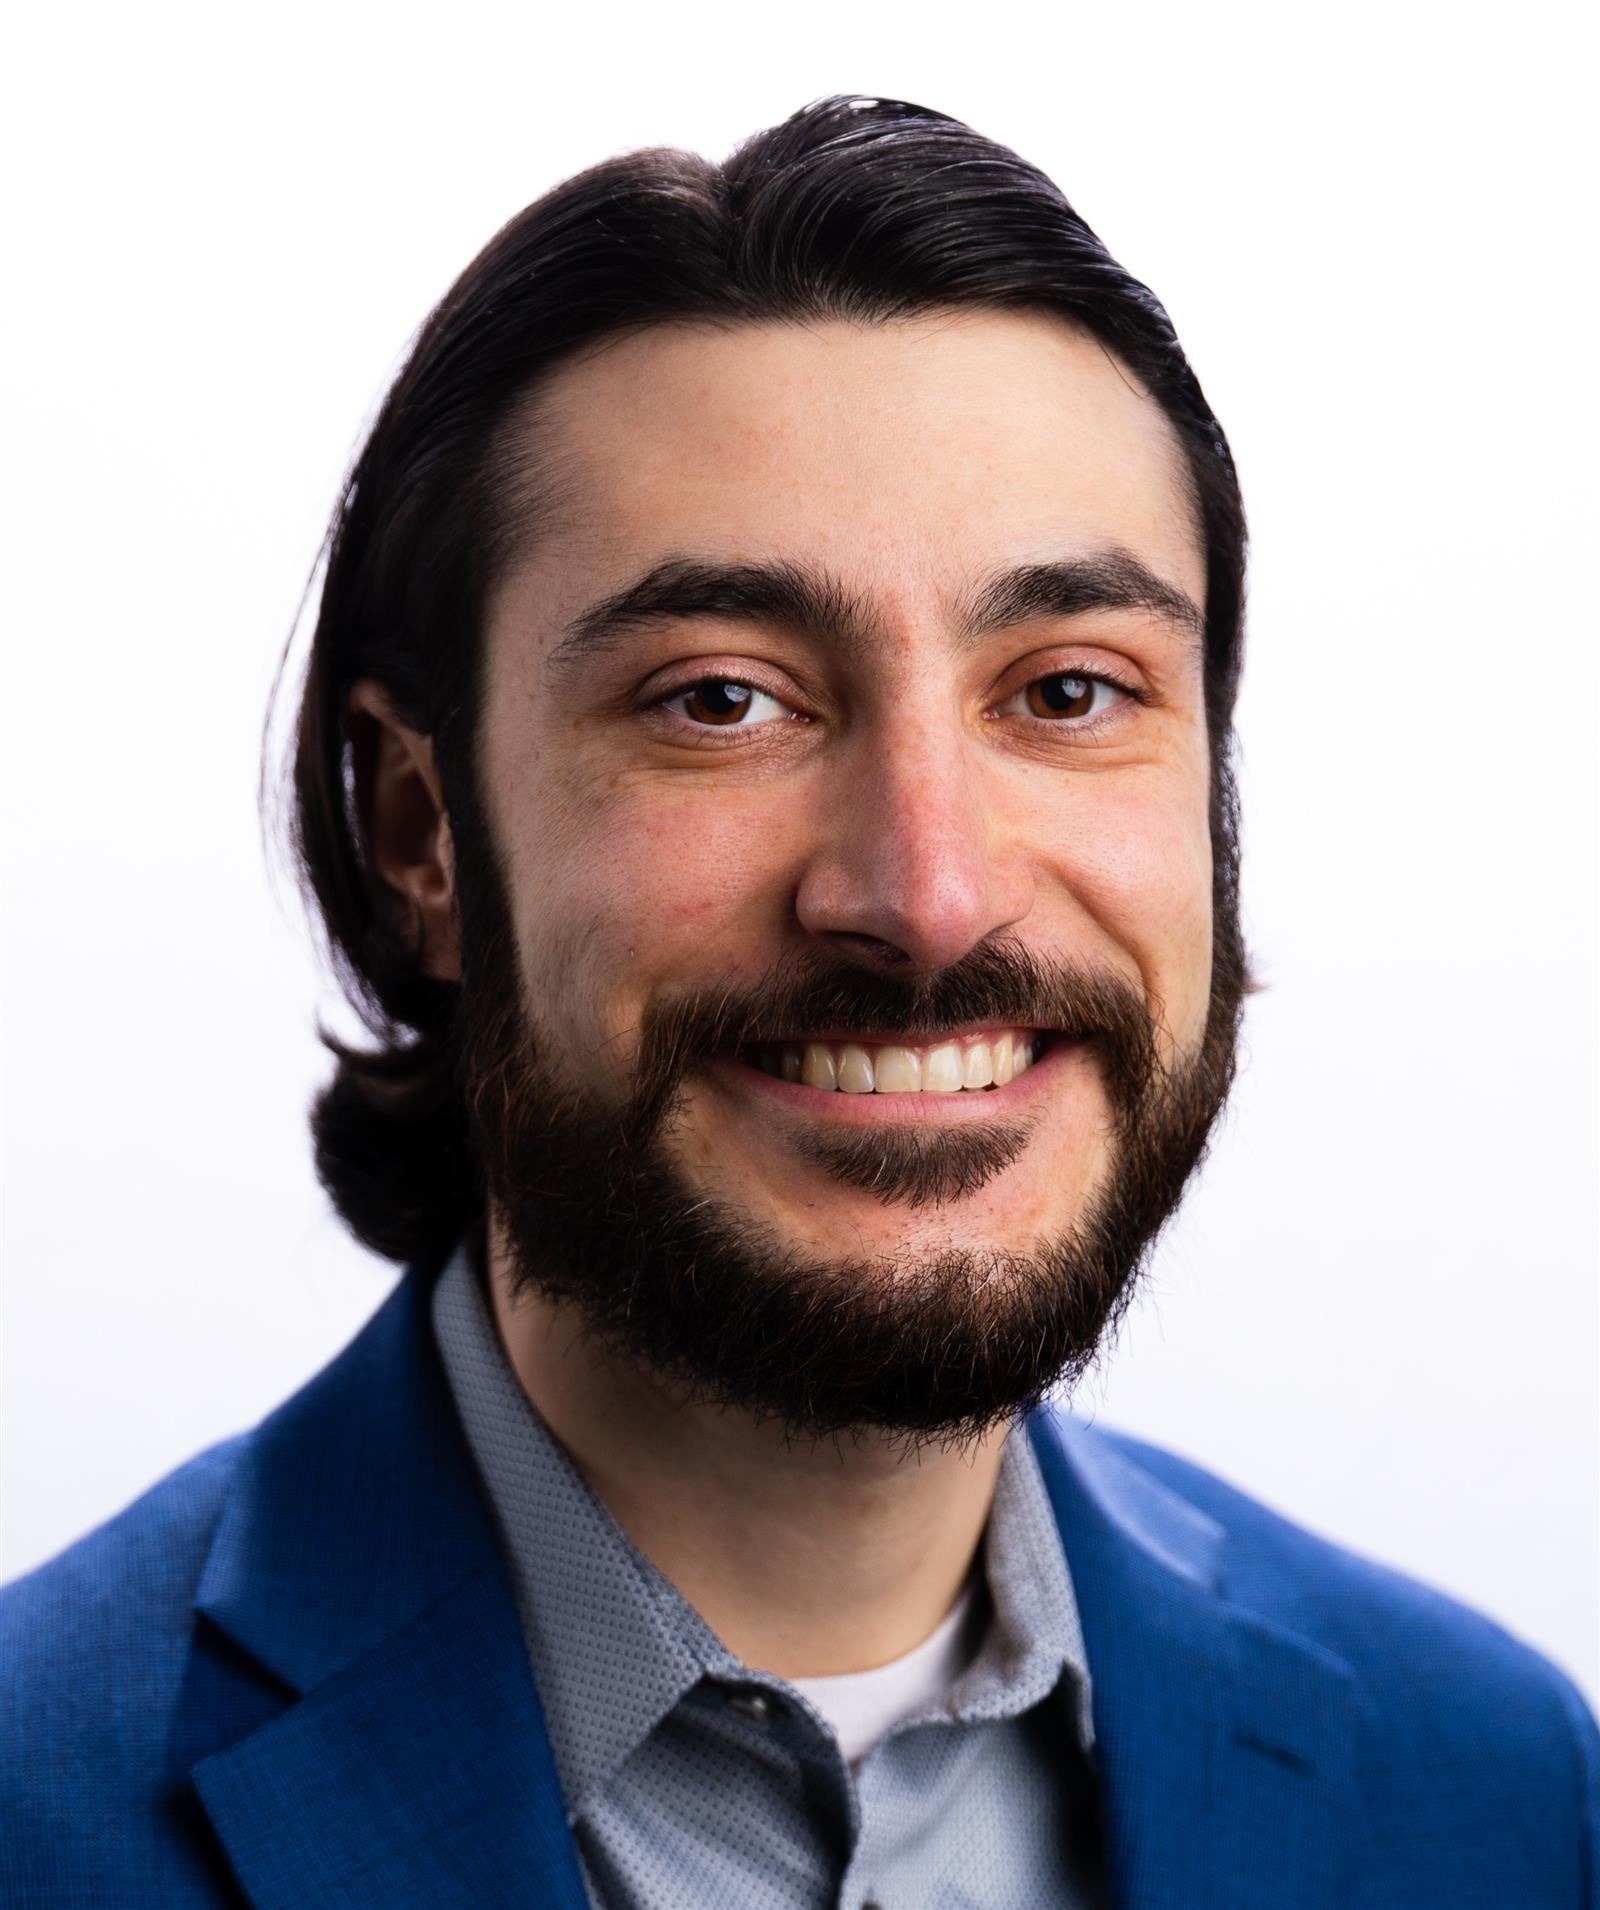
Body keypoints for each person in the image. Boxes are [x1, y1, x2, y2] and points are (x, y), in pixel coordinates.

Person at [2, 94, 1593, 1909]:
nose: (927, 894)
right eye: (722, 700)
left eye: (1068, 691)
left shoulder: (1492, 1795)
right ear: (421, 832)